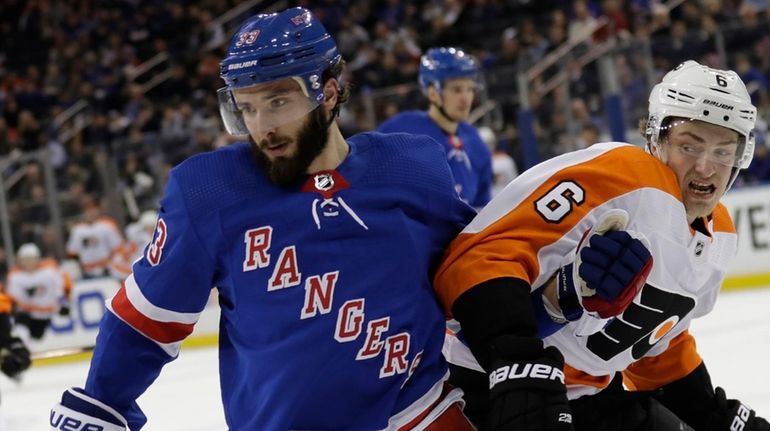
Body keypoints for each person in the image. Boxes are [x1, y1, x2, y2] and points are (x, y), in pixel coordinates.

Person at [50, 7, 477, 430]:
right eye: (247, 108)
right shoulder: (209, 192)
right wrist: (100, 405)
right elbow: (145, 321)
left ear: (328, 94)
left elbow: (476, 274)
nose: (262, 126)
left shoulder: (412, 166)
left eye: (277, 101)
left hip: (422, 416)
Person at [433, 60, 770, 431]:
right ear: (656, 140)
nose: (707, 167)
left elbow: (655, 346)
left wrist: (716, 417)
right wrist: (516, 361)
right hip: (479, 380)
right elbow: (478, 259)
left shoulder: (720, 234)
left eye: (724, 151)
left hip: (591, 394)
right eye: (689, 145)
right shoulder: (623, 174)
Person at [378, 47, 493, 209]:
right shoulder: (399, 131)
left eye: (470, 89)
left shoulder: (476, 143)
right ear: (433, 93)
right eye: (456, 89)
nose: (465, 98)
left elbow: (482, 206)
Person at [5, 243, 72, 343]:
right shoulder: (15, 277)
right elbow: (13, 299)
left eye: (31, 258)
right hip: (28, 315)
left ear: (38, 258)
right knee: (20, 329)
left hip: (49, 315)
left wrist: (63, 303)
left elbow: (61, 289)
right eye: (25, 259)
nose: (28, 262)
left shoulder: (50, 271)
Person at [66, 199, 124, 279]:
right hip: (86, 271)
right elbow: (72, 253)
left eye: (93, 209)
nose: (90, 213)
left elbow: (117, 248)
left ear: (98, 210)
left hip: (106, 269)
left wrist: (111, 263)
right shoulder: (77, 230)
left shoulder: (107, 225)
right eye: (87, 210)